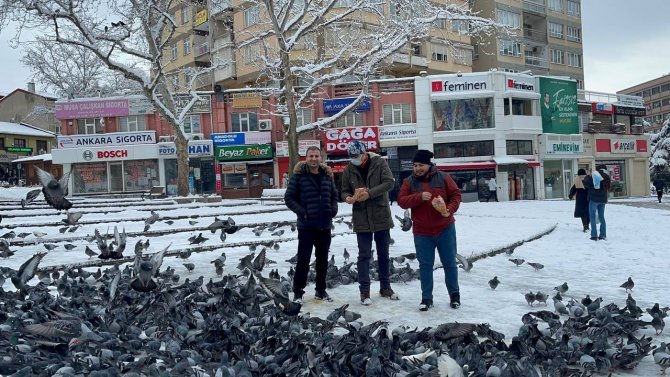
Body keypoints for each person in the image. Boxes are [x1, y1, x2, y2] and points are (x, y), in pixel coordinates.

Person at [397, 149, 462, 311]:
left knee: (450, 263)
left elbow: (456, 195)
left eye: (421, 165)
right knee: (425, 266)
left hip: (445, 228)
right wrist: (419, 197)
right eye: (415, 165)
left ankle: (454, 296)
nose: (417, 168)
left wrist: (450, 208)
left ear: (428, 164)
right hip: (422, 231)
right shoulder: (409, 182)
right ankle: (426, 298)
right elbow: (401, 201)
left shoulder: (443, 177)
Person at [340, 140, 398, 305]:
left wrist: (370, 193)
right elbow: (343, 190)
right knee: (364, 255)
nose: (354, 159)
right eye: (351, 157)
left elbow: (389, 182)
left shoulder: (379, 163)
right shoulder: (349, 169)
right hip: (361, 216)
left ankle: (385, 287)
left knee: (383, 254)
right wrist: (348, 198)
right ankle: (364, 291)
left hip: (380, 214)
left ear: (364, 153)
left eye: (357, 156)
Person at [284, 146, 339, 303]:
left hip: (324, 225)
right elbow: (289, 198)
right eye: (311, 156)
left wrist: (333, 209)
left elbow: (334, 195)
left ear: (321, 158)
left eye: (316, 156)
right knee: (303, 259)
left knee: (322, 260)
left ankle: (320, 291)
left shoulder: (327, 176)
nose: (314, 159)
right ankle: (298, 292)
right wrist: (303, 212)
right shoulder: (299, 176)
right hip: (306, 226)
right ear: (306, 158)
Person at [583, 164, 611, 241]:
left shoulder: (594, 175)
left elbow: (586, 183)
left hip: (593, 199)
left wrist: (588, 175)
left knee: (592, 217)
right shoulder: (607, 176)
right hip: (603, 200)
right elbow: (608, 187)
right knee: (601, 217)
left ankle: (594, 235)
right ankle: (603, 235)